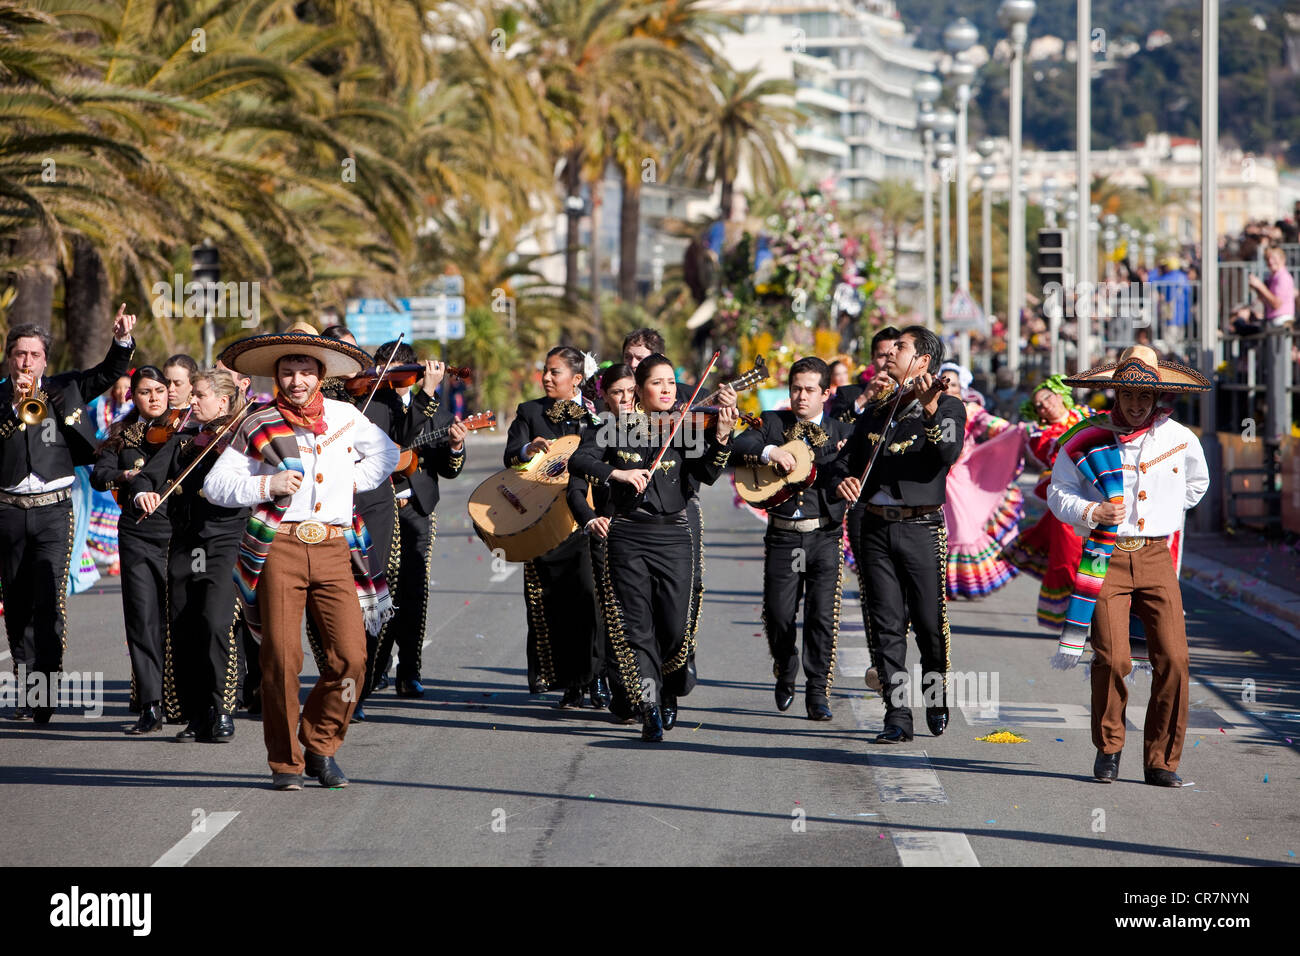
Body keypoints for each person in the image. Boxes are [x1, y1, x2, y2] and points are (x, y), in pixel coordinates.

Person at [203, 331, 400, 790]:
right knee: (281, 660)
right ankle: (285, 762)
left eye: (306, 371)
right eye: (288, 371)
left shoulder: (346, 416)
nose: (297, 380)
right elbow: (215, 485)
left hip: (335, 545)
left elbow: (387, 454)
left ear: (320, 375)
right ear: (277, 376)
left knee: (351, 658)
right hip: (280, 547)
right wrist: (264, 488)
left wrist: (347, 482)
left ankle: (320, 744)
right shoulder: (258, 422)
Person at [1047, 346, 1211, 787]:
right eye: (1127, 395)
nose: (1136, 405)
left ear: (1157, 396)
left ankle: (1161, 761)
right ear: (1114, 393)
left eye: (1144, 396)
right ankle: (1110, 747)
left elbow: (1197, 483)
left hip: (1157, 554)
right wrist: (1090, 512)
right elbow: (1057, 493)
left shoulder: (1180, 438)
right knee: (1113, 657)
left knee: (1174, 658)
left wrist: (1165, 513)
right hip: (1106, 554)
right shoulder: (1086, 437)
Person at [569, 354, 737, 741]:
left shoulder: (684, 428)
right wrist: (618, 472)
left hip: (674, 535)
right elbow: (579, 461)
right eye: (657, 383)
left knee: (675, 628)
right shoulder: (613, 426)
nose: (666, 390)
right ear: (640, 389)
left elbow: (708, 474)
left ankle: (668, 688)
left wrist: (723, 437)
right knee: (637, 627)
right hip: (628, 536)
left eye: (671, 383)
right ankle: (650, 708)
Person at [1, 308, 136, 723]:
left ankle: (46, 691)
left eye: (34, 355)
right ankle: (27, 689)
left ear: (45, 360)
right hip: (7, 511)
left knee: (49, 601)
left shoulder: (65, 388)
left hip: (54, 510)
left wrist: (121, 342)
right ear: (9, 357)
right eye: (19, 353)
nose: (26, 362)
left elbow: (108, 371)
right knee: (17, 602)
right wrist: (13, 406)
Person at [832, 326, 965, 743]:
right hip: (874, 526)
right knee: (885, 622)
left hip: (921, 527)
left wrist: (928, 411)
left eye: (900, 348)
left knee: (928, 623)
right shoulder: (877, 408)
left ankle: (936, 692)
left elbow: (946, 453)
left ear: (922, 360)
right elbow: (845, 461)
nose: (889, 353)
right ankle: (897, 714)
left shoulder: (949, 406)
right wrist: (843, 481)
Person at [317, 324, 436, 718]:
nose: (353, 366)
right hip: (323, 505)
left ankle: (360, 687)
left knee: (372, 596)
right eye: (339, 354)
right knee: (326, 596)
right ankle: (333, 678)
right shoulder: (315, 397)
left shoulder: (381, 394)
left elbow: (406, 437)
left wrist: (426, 395)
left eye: (356, 356)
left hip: (373, 505)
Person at [732, 357, 851, 720]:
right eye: (795, 389)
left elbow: (850, 469)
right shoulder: (773, 422)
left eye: (809, 390)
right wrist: (772, 451)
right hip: (784, 537)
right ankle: (785, 667)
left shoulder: (842, 432)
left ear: (825, 393)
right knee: (779, 615)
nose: (801, 397)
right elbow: (741, 444)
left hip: (825, 537)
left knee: (821, 616)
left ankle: (817, 693)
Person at [135, 370, 249, 742]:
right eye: (193, 395)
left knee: (215, 623)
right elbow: (145, 476)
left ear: (223, 401)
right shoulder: (184, 439)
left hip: (225, 542)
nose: (191, 401)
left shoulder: (241, 437)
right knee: (183, 626)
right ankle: (196, 714)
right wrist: (143, 494)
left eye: (199, 395)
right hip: (186, 544)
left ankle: (222, 710)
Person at [504, 346, 603, 707]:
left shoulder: (599, 413)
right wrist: (531, 448)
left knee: (593, 600)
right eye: (545, 371)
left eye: (555, 372)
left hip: (590, 520)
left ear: (577, 379)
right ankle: (571, 682)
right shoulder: (530, 411)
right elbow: (511, 453)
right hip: (543, 522)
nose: (546, 378)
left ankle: (598, 678)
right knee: (554, 603)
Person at [371, 341, 468, 699]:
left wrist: (456, 446)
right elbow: (402, 436)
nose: (385, 375)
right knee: (379, 594)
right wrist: (428, 392)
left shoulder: (440, 413)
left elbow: (450, 469)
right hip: (377, 509)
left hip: (416, 510)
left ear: (410, 371)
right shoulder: (373, 406)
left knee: (414, 593)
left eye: (394, 368)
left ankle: (409, 671)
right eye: (381, 368)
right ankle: (374, 668)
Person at [91, 366, 177, 734]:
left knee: (180, 617)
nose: (155, 397)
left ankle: (188, 699)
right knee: (142, 620)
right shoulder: (121, 434)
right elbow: (99, 474)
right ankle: (150, 705)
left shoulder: (183, 430)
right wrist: (124, 477)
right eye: (145, 391)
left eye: (160, 390)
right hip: (137, 534)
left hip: (178, 533)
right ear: (134, 396)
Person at [566, 363, 636, 717]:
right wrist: (590, 518)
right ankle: (620, 688)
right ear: (604, 398)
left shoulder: (659, 428)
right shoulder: (596, 435)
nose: (625, 399)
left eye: (630, 391)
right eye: (617, 393)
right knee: (614, 616)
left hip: (653, 536)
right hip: (608, 537)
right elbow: (576, 488)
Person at [1002, 376, 1094, 629]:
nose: (1044, 405)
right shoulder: (1043, 436)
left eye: (1047, 398)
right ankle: (1077, 617)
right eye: (1038, 405)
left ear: (1060, 395)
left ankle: (1105, 614)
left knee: (1104, 559)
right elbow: (1058, 453)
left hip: (1101, 498)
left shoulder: (1089, 414)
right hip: (1068, 505)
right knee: (1069, 559)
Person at [936, 363, 1026, 599]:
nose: (948, 387)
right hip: (933, 478)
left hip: (962, 480)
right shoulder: (929, 409)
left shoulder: (970, 410)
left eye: (953, 384)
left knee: (964, 532)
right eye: (944, 383)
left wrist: (1018, 433)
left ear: (961, 388)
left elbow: (998, 427)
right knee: (938, 532)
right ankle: (938, 584)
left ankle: (960, 583)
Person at [828, 326, 900, 425]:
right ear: (872, 358)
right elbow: (833, 428)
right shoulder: (847, 394)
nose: (888, 361)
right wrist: (864, 397)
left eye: (892, 355)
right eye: (882, 356)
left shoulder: (913, 394)